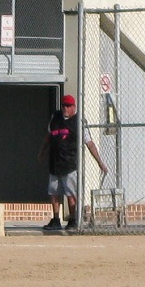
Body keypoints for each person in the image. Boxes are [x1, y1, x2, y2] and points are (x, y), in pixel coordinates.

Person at [41, 91, 106, 233]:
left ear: (74, 107)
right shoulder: (55, 117)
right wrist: (42, 152)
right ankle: (56, 219)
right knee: (54, 192)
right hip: (54, 163)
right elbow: (49, 136)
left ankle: (72, 219)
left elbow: (89, 143)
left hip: (69, 164)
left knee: (71, 195)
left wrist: (99, 162)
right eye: (64, 105)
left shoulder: (78, 122)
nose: (65, 108)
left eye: (69, 106)